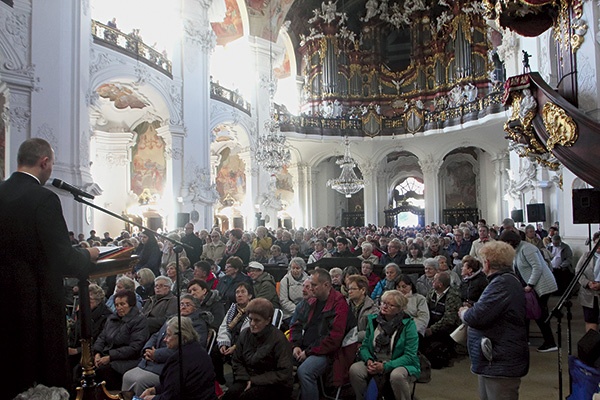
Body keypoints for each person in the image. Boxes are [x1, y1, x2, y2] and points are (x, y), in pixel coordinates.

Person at [0, 138, 100, 398]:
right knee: (40, 381)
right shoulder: (44, 198)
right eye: (52, 163)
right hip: (36, 305)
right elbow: (62, 259)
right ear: (44, 162)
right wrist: (87, 254)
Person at [458, 240, 529, 400]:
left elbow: (475, 317)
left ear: (487, 263)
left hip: (500, 360)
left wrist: (464, 312)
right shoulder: (503, 280)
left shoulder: (502, 283)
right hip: (494, 359)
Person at [122, 294, 210, 395]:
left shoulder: (198, 324)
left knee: (140, 381)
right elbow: (156, 335)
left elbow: (184, 350)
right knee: (127, 376)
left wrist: (156, 354)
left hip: (170, 364)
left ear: (195, 308)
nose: (183, 306)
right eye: (181, 304)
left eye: (188, 304)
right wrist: (148, 349)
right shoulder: (172, 318)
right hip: (153, 360)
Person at [289, 268, 353, 400]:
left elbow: (333, 339)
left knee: (305, 372)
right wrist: (295, 345)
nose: (310, 288)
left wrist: (308, 352)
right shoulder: (311, 301)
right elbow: (296, 324)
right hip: (305, 348)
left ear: (326, 285)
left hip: (327, 353)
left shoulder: (339, 304)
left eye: (314, 285)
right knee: (278, 363)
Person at [349, 290, 421, 400]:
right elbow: (364, 347)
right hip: (375, 359)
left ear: (399, 308)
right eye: (383, 303)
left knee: (396, 376)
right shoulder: (373, 321)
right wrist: (368, 360)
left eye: (390, 305)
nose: (384, 306)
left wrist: (385, 366)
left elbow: (410, 356)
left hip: (400, 362)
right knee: (355, 369)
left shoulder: (408, 325)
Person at [223, 298, 294, 399]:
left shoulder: (279, 339)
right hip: (248, 377)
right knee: (230, 395)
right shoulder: (245, 334)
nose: (252, 324)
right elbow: (237, 360)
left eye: (257, 320)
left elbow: (284, 373)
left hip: (274, 385)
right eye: (251, 319)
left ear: (268, 320)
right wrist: (245, 378)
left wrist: (254, 380)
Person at [500, 229, 558, 352]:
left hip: (542, 285)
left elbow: (538, 267)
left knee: (540, 314)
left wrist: (530, 285)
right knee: (525, 313)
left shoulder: (527, 248)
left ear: (510, 241)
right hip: (530, 285)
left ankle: (550, 343)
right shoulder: (516, 250)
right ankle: (524, 339)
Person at [139, 316, 217, 400]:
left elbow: (171, 397)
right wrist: (154, 390)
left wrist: (151, 398)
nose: (165, 339)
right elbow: (174, 385)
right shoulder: (199, 351)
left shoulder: (179, 360)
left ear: (181, 336)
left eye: (168, 335)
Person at [93, 290, 149, 391]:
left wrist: (110, 357)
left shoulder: (139, 320)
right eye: (117, 305)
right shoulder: (111, 319)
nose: (119, 308)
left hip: (128, 360)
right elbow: (102, 337)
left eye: (122, 304)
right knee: (82, 368)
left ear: (131, 305)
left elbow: (135, 348)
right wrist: (97, 353)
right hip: (107, 356)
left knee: (101, 372)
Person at [421, 271, 462, 369]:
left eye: (434, 280)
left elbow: (449, 319)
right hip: (432, 321)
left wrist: (432, 329)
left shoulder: (453, 296)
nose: (432, 282)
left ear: (440, 284)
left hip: (446, 328)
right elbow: (425, 308)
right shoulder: (432, 292)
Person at [68, 284, 112, 372]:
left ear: (98, 301)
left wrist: (78, 350)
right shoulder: (82, 312)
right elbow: (75, 332)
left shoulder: (106, 316)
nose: (85, 302)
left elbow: (101, 340)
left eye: (90, 300)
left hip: (93, 352)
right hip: (77, 348)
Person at [576, 231, 600, 332]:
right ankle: (592, 346)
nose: (598, 246)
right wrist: (588, 283)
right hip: (588, 294)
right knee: (591, 320)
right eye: (596, 243)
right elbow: (578, 272)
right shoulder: (587, 255)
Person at [279, 257, 310, 327]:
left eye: (297, 268)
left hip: (306, 310)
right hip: (289, 313)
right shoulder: (285, 280)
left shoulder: (308, 280)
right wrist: (297, 310)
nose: (295, 270)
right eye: (293, 268)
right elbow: (283, 300)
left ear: (302, 269)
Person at [346, 275, 379, 341]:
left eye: (353, 289)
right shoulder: (343, 305)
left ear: (363, 290)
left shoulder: (373, 309)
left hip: (362, 343)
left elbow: (371, 331)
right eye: (349, 289)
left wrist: (352, 337)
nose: (349, 292)